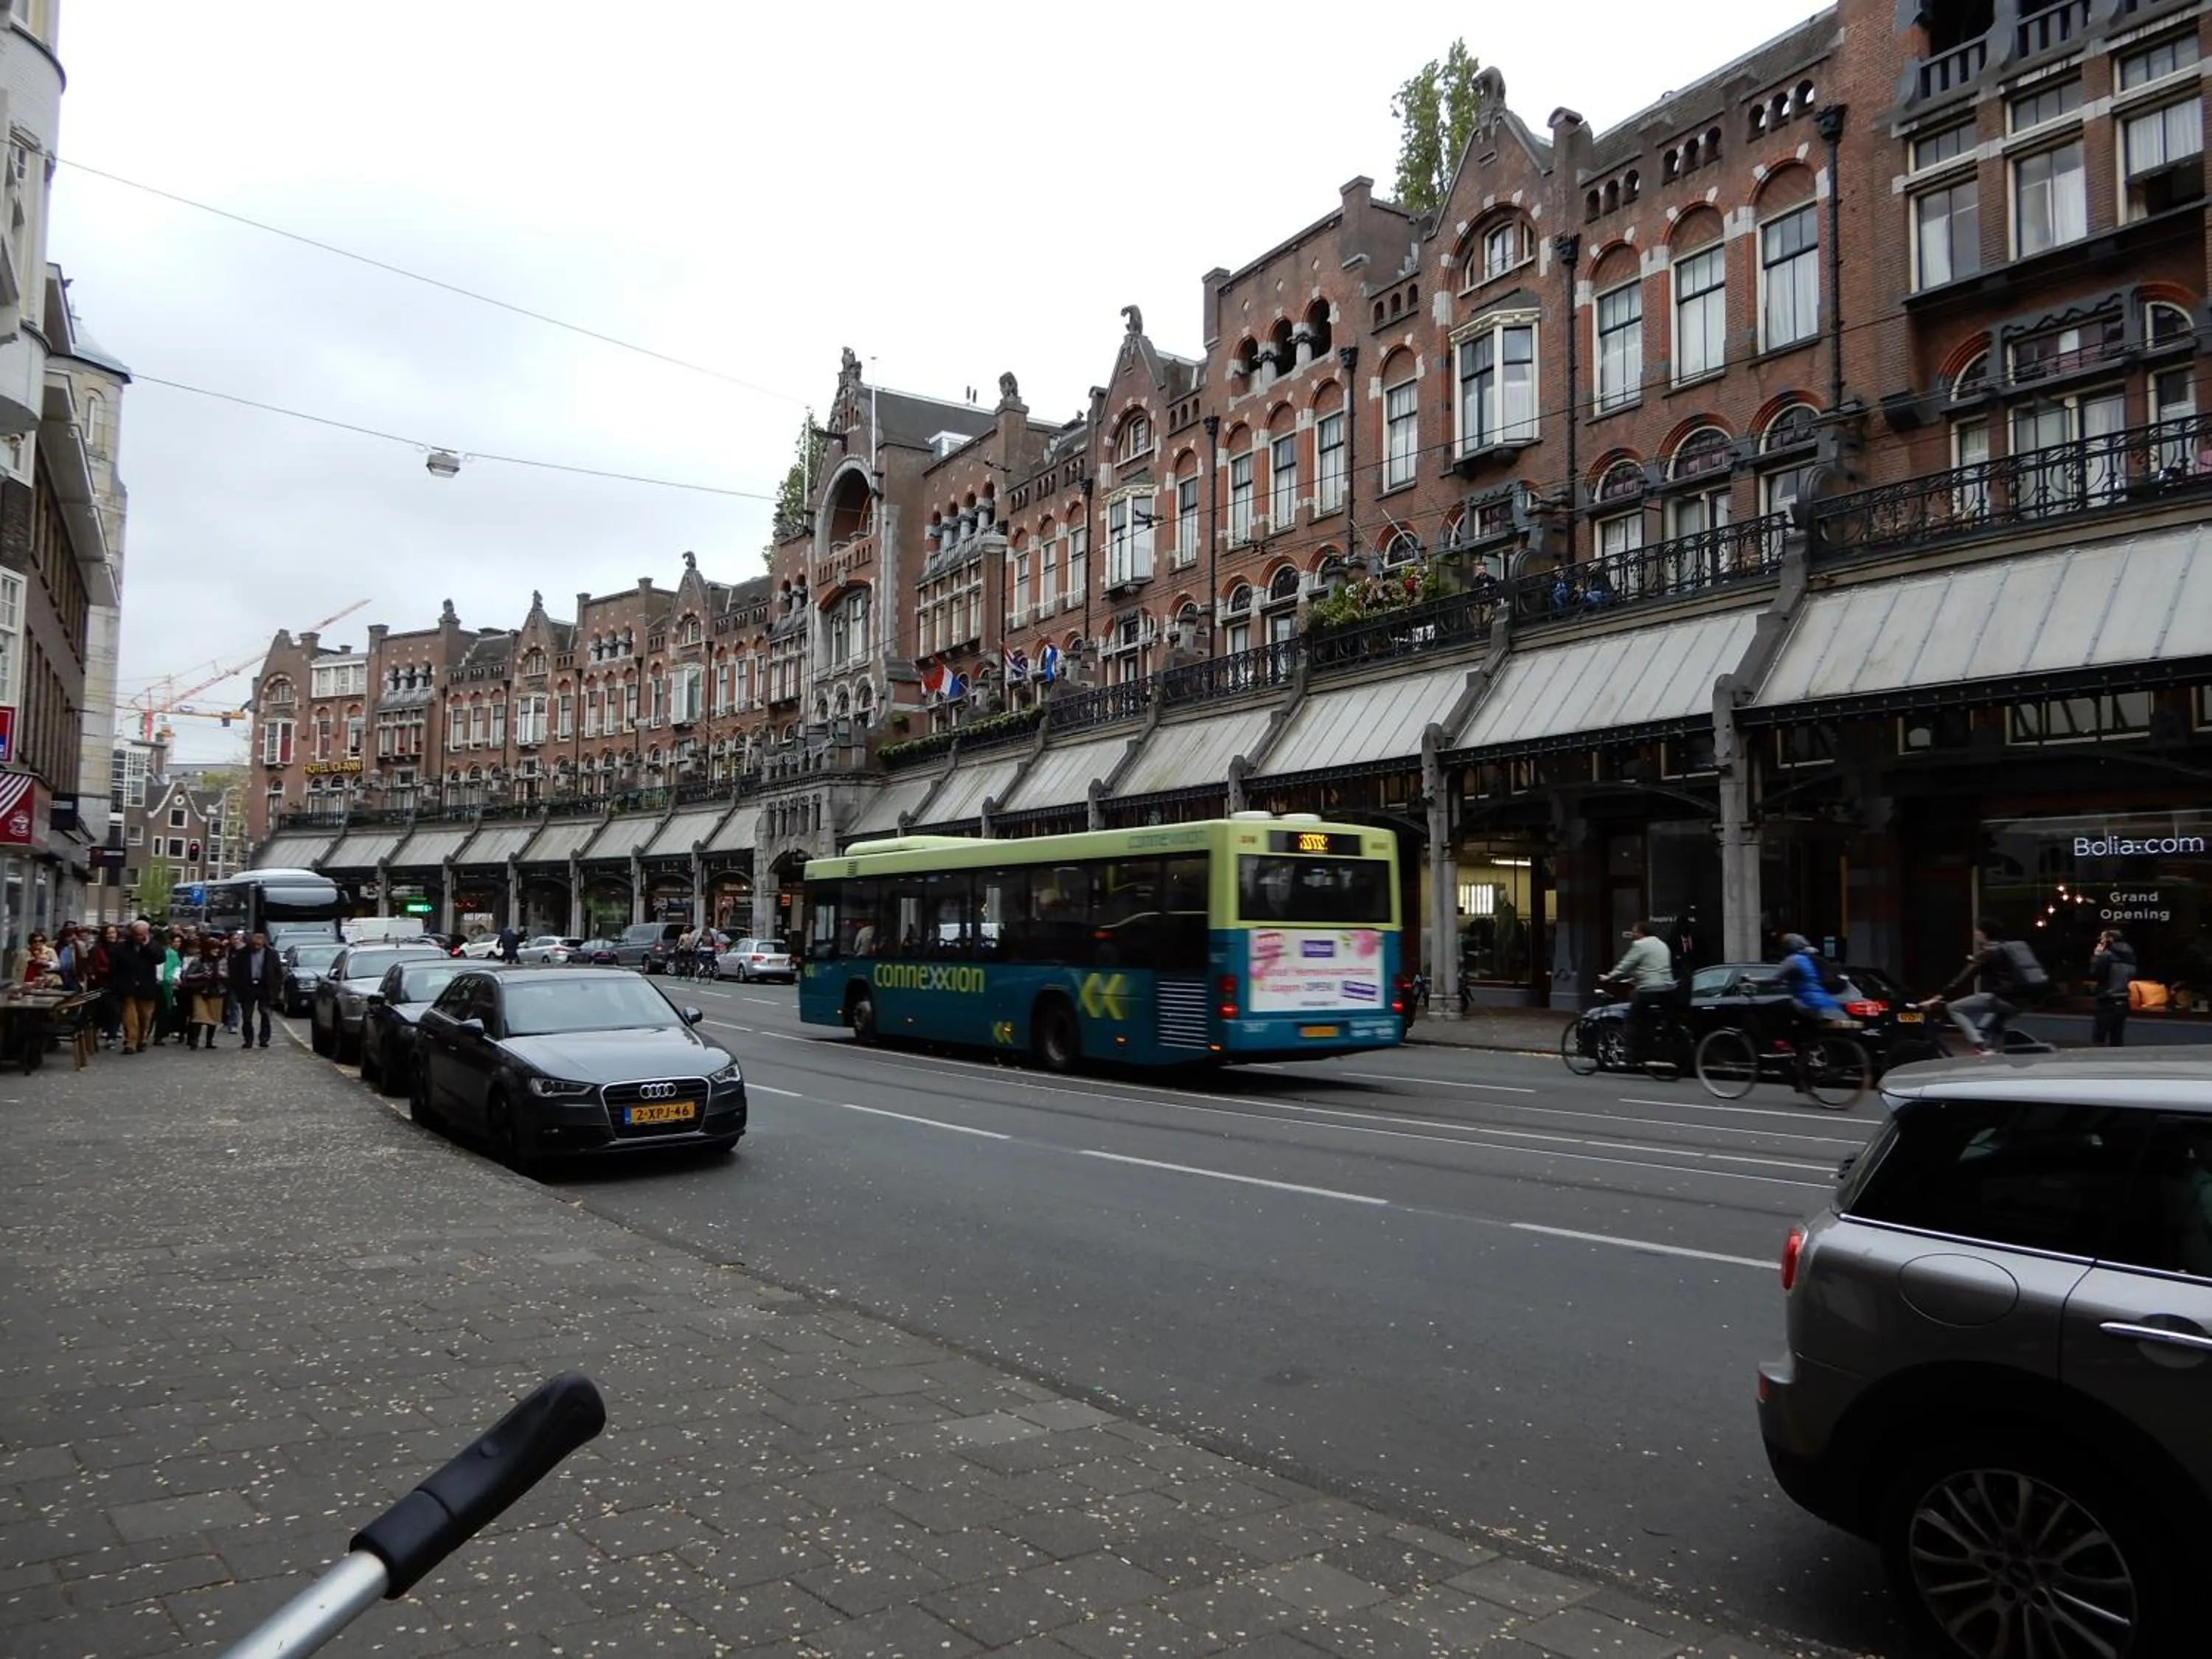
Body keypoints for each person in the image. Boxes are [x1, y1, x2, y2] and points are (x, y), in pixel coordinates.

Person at [1921, 926, 2044, 1056]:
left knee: (1953, 1008)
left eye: (1977, 932)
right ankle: (1993, 1050)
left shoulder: (1989, 952)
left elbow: (1964, 978)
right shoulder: (2008, 950)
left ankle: (1979, 1045)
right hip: (2023, 1001)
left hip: (2004, 999)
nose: (1975, 934)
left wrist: (1939, 997)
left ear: (1984, 934)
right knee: (1992, 1026)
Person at [1604, 919, 1677, 1065]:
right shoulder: (1662, 944)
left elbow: (1626, 964)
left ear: (1642, 933)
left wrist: (1610, 976)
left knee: (1631, 1018)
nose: (1633, 935)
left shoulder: (1640, 945)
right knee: (1652, 1018)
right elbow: (1652, 967)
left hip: (1650, 989)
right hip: (1668, 988)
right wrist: (1636, 977)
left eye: (1635, 932)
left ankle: (1631, 1054)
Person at [1776, 933, 1857, 1030]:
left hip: (1809, 999)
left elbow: (1778, 978)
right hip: (1827, 999)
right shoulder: (1818, 960)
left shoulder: (1795, 960)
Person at [108, 919, 163, 1054]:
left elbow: (160, 959)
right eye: (136, 934)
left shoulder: (154, 945)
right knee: (129, 1017)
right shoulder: (122, 947)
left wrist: (147, 946)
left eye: (142, 935)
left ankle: (142, 1039)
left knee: (145, 1016)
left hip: (146, 987)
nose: (139, 938)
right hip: (128, 987)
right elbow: (115, 965)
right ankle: (130, 1042)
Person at [228, 929, 282, 1048]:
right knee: (247, 1016)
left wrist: (276, 989)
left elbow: (278, 972)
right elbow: (235, 971)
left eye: (259, 945)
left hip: (264, 987)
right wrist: (237, 988)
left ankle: (264, 1039)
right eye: (255, 945)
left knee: (265, 1014)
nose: (257, 947)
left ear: (264, 943)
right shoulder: (243, 954)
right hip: (248, 987)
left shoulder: (271, 953)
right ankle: (248, 1040)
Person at [2090, 927, 2138, 1048]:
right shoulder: (2130, 956)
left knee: (2099, 1038)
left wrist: (2096, 956)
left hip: (2108, 1000)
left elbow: (2096, 974)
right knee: (2117, 1039)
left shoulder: (2107, 956)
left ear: (2109, 940)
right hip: (2123, 1001)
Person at [179, 936, 227, 1051]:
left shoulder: (222, 961)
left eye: (218, 948)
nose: (216, 951)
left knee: (213, 1017)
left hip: (216, 992)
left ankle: (209, 1042)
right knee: (199, 1017)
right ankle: (193, 1041)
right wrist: (202, 975)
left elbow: (228, 975)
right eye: (214, 948)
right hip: (200, 991)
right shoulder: (198, 961)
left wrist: (220, 974)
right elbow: (187, 976)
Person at [155, 929, 185, 1045]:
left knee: (165, 1011)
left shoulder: (172, 954)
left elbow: (176, 967)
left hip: (166, 984)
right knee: (164, 1011)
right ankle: (161, 1034)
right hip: (165, 984)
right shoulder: (170, 954)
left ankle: (162, 1034)